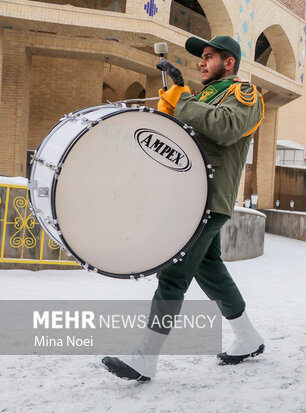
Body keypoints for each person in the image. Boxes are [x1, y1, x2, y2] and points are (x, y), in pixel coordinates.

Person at [102, 35, 265, 381]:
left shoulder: (245, 95)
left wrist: (183, 100)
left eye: (208, 57)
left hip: (209, 197)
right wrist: (169, 114)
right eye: (201, 58)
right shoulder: (203, 97)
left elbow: (225, 128)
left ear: (230, 63)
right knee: (210, 270)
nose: (201, 63)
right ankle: (247, 337)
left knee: (173, 274)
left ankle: (146, 356)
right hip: (190, 194)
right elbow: (185, 139)